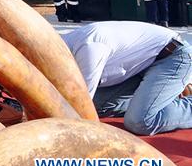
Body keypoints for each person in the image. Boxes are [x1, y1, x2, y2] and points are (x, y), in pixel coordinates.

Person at [63, 21, 191, 135]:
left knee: (140, 121)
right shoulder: (65, 43)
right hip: (138, 66)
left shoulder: (89, 48)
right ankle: (156, 99)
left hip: (171, 57)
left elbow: (82, 104)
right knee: (98, 106)